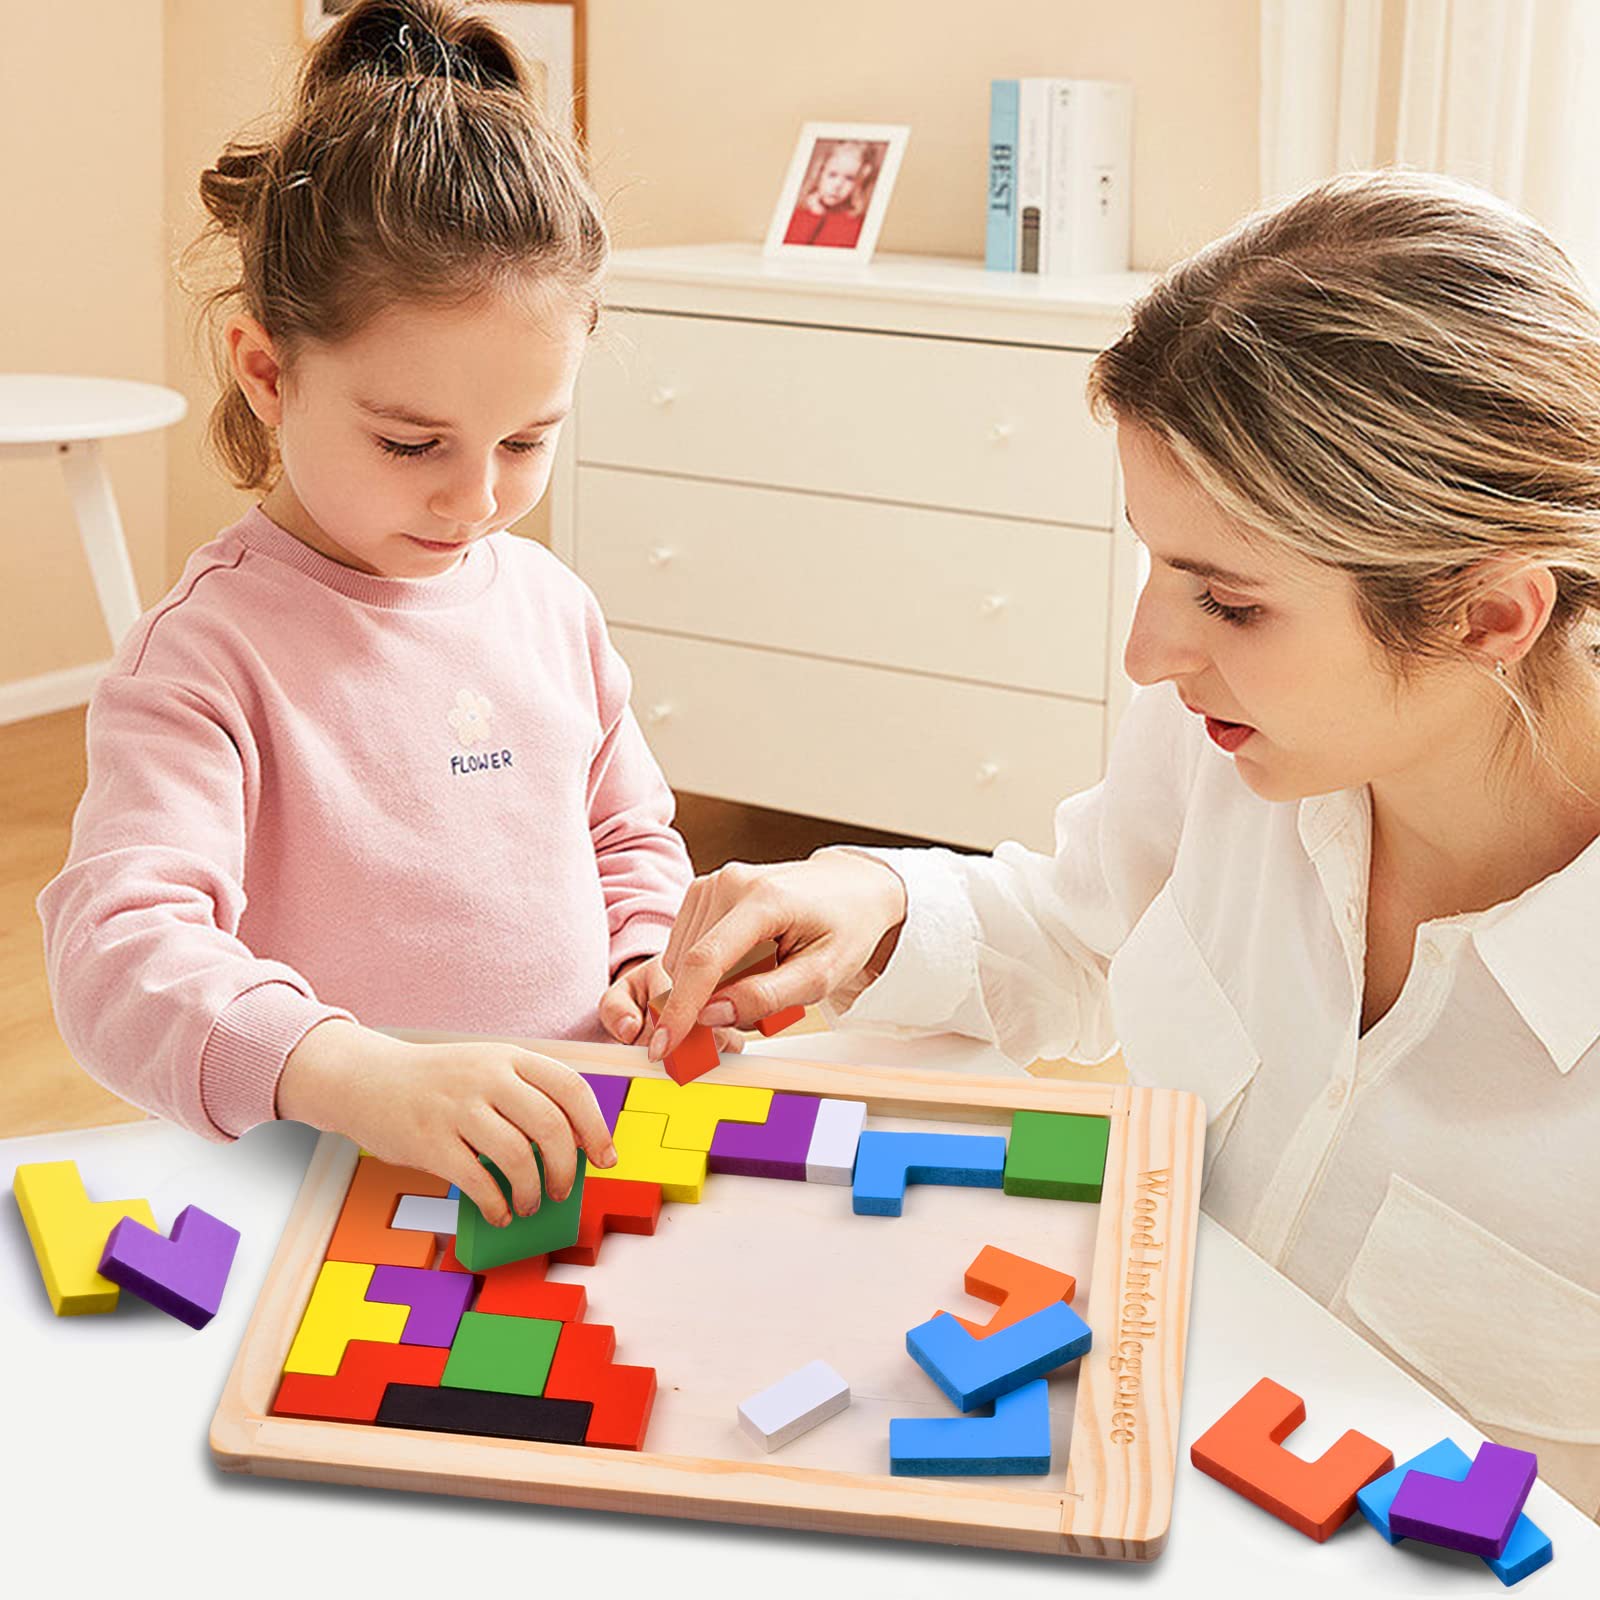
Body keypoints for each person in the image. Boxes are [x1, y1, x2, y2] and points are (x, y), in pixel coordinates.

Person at [649, 170, 1600, 1515]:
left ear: (1488, 616)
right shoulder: (1242, 741)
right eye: (1155, 564)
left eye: (1228, 601)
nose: (1152, 656)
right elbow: (1080, 925)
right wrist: (872, 894)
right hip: (1133, 1486)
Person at [37, 0, 703, 1229]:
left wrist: (646, 956)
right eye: (411, 441)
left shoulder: (552, 608)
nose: (476, 496)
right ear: (267, 369)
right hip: (320, 1198)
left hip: (553, 1181)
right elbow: (119, 951)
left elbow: (627, 839)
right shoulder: (202, 657)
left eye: (525, 439)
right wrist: (350, 1073)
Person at [782, 140, 876, 248]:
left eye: (849, 178)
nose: (838, 185)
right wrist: (814, 215)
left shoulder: (856, 224)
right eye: (832, 175)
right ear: (820, 173)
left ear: (860, 183)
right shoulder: (799, 214)